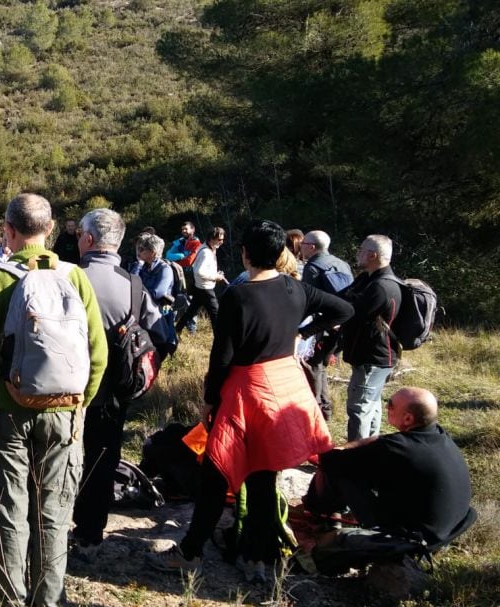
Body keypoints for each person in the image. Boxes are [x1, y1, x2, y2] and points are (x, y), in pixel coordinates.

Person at [150, 220, 353, 580]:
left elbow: (222, 356)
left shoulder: (238, 296)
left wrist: (209, 400)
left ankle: (192, 552)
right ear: (280, 254)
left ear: (244, 254)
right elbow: (344, 309)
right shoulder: (295, 287)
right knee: (263, 476)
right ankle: (259, 560)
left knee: (218, 472)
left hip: (246, 391)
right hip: (284, 385)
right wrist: (303, 331)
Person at [0, 193, 107, 607]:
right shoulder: (76, 277)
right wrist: (78, 403)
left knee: (8, 507)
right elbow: (98, 352)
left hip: (6, 414)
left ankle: (10, 596)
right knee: (55, 510)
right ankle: (49, 598)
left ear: (8, 230)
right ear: (52, 230)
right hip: (65, 412)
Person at [71, 209, 161, 554]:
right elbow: (163, 336)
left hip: (67, 389)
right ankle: (90, 532)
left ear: (90, 240)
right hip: (114, 392)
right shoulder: (135, 285)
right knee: (103, 457)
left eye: (80, 234)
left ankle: (47, 524)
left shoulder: (69, 278)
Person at [303, 387, 474, 566]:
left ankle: (320, 519)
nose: (386, 408)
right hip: (446, 531)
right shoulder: (439, 435)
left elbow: (329, 461)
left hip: (410, 538)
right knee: (357, 469)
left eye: (391, 405)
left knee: (340, 472)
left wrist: (348, 447)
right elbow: (382, 445)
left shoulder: (395, 449)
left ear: (408, 418)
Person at [341, 235, 402, 441]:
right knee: (371, 404)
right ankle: (370, 451)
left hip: (372, 357)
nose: (358, 253)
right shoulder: (368, 279)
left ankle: (356, 461)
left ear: (373, 255)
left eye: (361, 249)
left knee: (360, 408)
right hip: (376, 356)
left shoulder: (381, 287)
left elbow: (352, 314)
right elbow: (343, 297)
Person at [300, 230, 354, 420]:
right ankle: (326, 410)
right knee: (321, 364)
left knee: (313, 366)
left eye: (304, 243)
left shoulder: (312, 267)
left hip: (323, 326)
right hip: (342, 323)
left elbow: (309, 301)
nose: (301, 246)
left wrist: (303, 331)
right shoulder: (342, 264)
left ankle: (316, 411)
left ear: (312, 247)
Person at [174, 227, 227, 334]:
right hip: (206, 288)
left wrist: (216, 273)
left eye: (222, 239)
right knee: (215, 315)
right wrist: (215, 277)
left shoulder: (209, 248)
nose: (222, 242)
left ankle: (176, 331)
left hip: (200, 287)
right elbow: (199, 271)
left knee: (190, 312)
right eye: (219, 239)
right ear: (212, 239)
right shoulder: (206, 252)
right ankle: (220, 340)